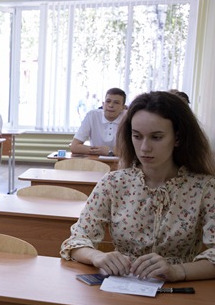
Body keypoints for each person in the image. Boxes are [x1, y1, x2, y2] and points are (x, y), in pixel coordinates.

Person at [61, 91, 215, 282]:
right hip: (121, 288)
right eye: (137, 136)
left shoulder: (204, 188)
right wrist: (97, 257)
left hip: (178, 291)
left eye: (156, 137)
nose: (144, 148)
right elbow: (76, 241)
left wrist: (178, 271)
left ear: (177, 138)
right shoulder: (113, 183)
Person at [70, 88, 127, 156]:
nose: (111, 105)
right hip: (96, 161)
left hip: (121, 163)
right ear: (103, 104)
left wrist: (110, 151)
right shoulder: (92, 115)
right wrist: (100, 151)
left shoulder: (128, 118)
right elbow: (74, 146)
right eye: (108, 101)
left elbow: (133, 150)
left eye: (116, 102)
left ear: (123, 107)